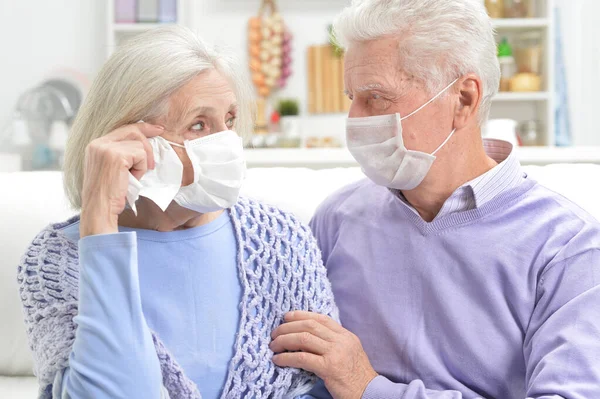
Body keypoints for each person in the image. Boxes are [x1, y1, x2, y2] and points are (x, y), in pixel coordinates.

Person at [269, 0, 600, 398]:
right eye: (351, 97)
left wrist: (367, 387)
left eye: (376, 98)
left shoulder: (568, 247)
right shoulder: (338, 218)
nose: (355, 120)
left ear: (463, 100)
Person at [17, 26, 337, 399]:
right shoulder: (55, 261)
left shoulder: (280, 238)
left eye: (230, 120)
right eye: (199, 124)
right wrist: (100, 225)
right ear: (130, 142)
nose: (228, 141)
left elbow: (324, 386)